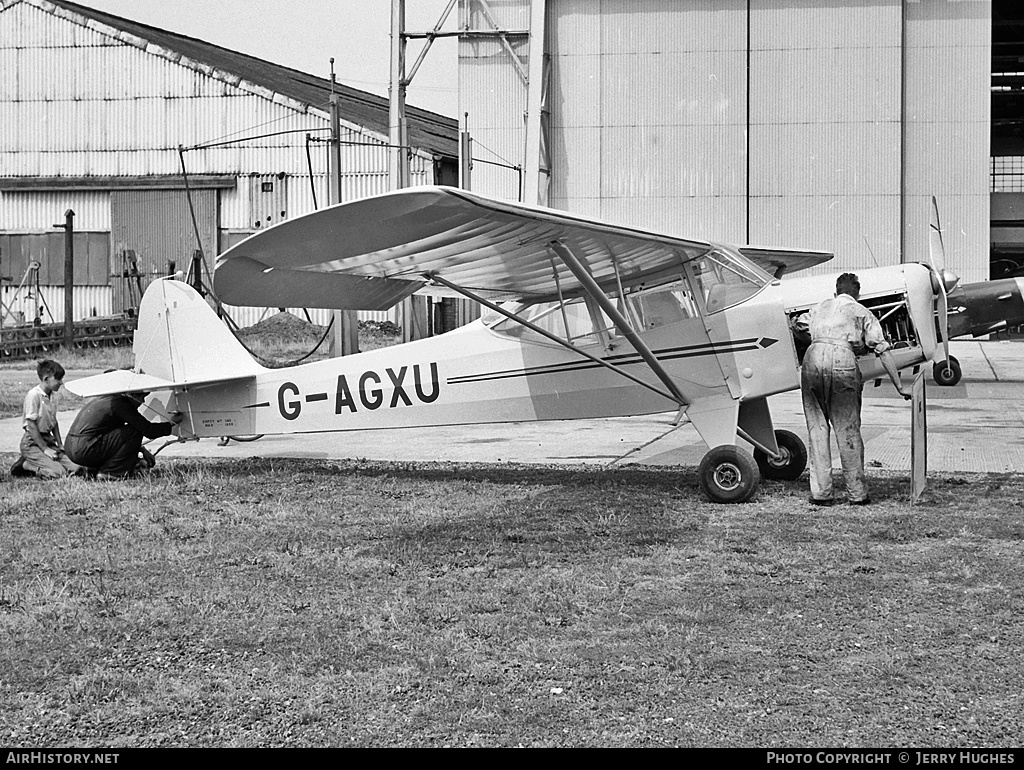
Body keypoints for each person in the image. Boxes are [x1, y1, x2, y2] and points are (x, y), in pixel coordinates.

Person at [793, 273, 911, 506]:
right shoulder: (861, 312)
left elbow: (797, 324)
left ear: (836, 291)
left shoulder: (820, 307)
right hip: (843, 359)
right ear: (857, 294)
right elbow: (882, 351)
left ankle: (821, 493)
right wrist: (899, 385)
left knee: (817, 428)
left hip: (813, 357)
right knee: (847, 428)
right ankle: (856, 494)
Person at [65, 390, 182, 480]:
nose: (144, 402)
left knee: (129, 431)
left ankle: (92, 469)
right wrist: (171, 422)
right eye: (142, 397)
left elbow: (112, 435)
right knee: (134, 431)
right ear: (132, 396)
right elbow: (149, 430)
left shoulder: (108, 399)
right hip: (84, 448)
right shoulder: (121, 405)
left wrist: (142, 449)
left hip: (72, 447)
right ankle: (111, 472)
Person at [12, 359, 81, 479]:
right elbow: (31, 425)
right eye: (58, 379)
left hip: (48, 440)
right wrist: (45, 449)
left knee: (77, 468)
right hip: (33, 442)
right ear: (46, 379)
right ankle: (26, 465)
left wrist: (59, 444)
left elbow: (54, 422)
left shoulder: (51, 395)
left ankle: (44, 460)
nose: (61, 382)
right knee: (59, 473)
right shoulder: (34, 395)